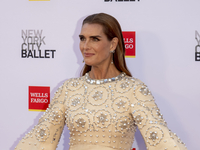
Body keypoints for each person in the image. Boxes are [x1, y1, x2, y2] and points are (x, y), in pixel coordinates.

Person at [15, 13, 187, 150]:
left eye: (95, 39)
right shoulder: (69, 89)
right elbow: (41, 138)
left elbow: (161, 139)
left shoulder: (134, 89)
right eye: (82, 38)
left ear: (113, 44)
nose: (85, 46)